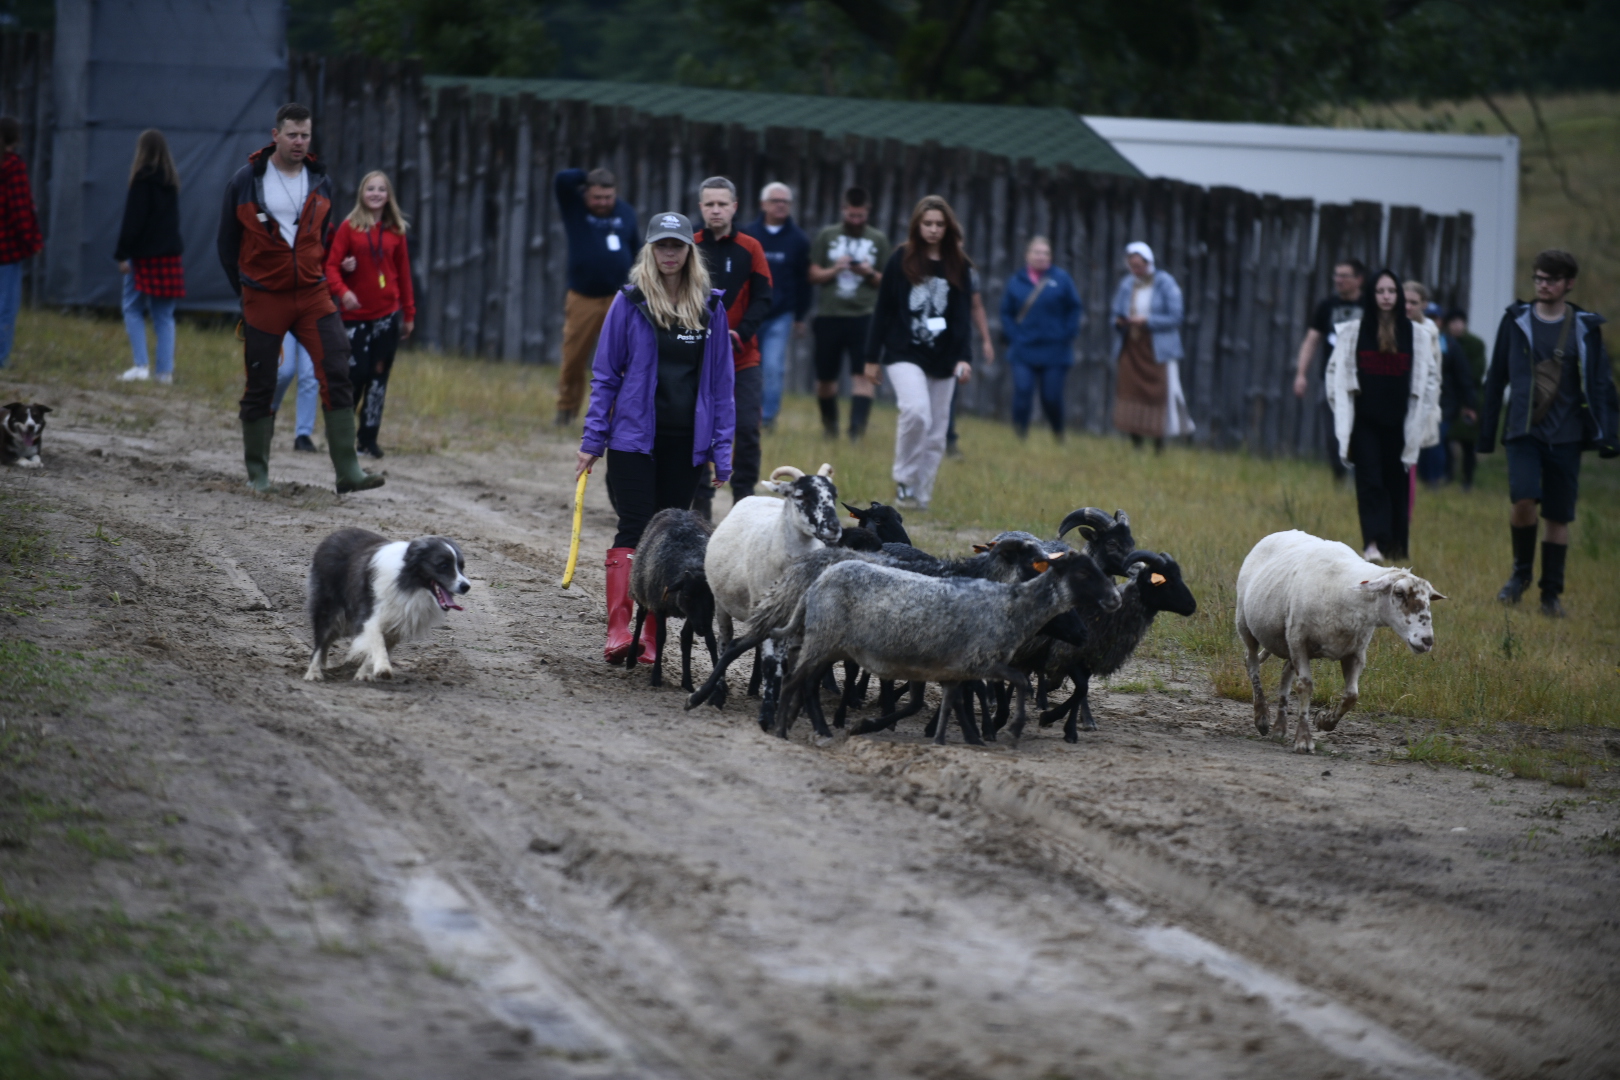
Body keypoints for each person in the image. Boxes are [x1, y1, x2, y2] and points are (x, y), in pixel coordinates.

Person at [576, 211, 734, 662]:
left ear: (689, 251)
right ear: (650, 249)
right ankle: (618, 630)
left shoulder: (710, 307)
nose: (669, 253)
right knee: (634, 526)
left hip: (686, 442)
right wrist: (593, 440)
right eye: (661, 245)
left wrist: (722, 451)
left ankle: (649, 635)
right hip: (632, 438)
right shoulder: (629, 302)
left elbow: (722, 385)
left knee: (667, 534)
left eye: (676, 245)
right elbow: (605, 375)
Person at [218, 104, 381, 494]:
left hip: (311, 293)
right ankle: (258, 474)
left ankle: (348, 472)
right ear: (275, 135)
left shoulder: (320, 180)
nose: (299, 142)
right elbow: (226, 244)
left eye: (305, 135)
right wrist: (245, 291)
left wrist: (319, 269)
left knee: (337, 366)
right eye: (292, 135)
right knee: (262, 379)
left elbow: (321, 238)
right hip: (263, 295)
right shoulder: (245, 181)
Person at [1477, 250, 1618, 617]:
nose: (1543, 285)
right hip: (1524, 431)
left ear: (1568, 283)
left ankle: (1551, 595)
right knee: (1523, 499)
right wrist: (1486, 433)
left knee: (1558, 516)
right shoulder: (1516, 321)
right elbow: (1496, 377)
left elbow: (1601, 384)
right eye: (1538, 278)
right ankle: (1520, 574)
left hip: (1568, 436)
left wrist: (1609, 435)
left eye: (1551, 280)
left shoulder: (1585, 327)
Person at [1324, 268, 1441, 563]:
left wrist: (1423, 413)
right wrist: (1341, 407)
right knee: (1369, 481)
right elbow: (1334, 372)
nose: (1386, 297)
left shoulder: (1416, 335)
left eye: (1391, 291)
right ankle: (1372, 544)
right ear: (1372, 294)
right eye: (1380, 291)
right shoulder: (1354, 332)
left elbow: (1430, 378)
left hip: (1401, 422)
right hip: (1365, 422)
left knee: (1396, 484)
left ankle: (1395, 548)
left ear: (1398, 295)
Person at [864, 195, 973, 510]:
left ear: (948, 227)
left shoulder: (958, 264)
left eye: (939, 224)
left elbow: (962, 317)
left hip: (945, 357)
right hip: (904, 351)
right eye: (928, 223)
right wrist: (871, 357)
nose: (934, 229)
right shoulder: (901, 259)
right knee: (915, 412)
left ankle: (921, 495)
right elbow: (883, 309)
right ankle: (904, 480)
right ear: (917, 225)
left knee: (937, 431)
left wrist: (964, 358)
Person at [691, 176, 772, 516]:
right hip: (696, 356)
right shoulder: (689, 245)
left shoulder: (751, 248)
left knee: (747, 429)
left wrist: (741, 332)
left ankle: (743, 502)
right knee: (697, 427)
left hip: (742, 356)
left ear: (734, 207)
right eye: (709, 204)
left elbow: (764, 298)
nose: (716, 210)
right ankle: (700, 506)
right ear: (701, 207)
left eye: (722, 204)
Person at [325, 170, 415, 459]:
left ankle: (368, 440)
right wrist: (343, 292)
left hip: (387, 316)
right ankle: (342, 434)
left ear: (388, 196)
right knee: (356, 373)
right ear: (362, 194)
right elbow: (330, 267)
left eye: (381, 189)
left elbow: (404, 274)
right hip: (354, 317)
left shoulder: (396, 231)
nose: (376, 194)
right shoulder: (349, 227)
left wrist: (409, 314)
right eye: (370, 189)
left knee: (378, 378)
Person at [553, 167, 640, 426]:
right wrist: (588, 176)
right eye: (597, 197)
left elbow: (637, 249)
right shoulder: (575, 209)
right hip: (584, 297)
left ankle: (616, 417)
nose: (602, 203)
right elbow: (562, 179)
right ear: (586, 195)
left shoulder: (626, 212)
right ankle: (566, 410)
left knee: (621, 360)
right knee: (573, 357)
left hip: (620, 299)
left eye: (608, 197)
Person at [809, 187, 891, 440]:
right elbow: (812, 274)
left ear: (868, 212)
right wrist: (835, 269)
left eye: (860, 216)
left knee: (863, 374)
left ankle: (856, 433)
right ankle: (830, 428)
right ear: (843, 210)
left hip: (865, 317)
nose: (855, 220)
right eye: (851, 215)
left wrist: (867, 272)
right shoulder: (827, 235)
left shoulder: (878, 239)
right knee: (825, 379)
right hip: (829, 315)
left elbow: (888, 283)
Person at [115, 129, 184, 384]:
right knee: (164, 316)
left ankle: (141, 366)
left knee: (132, 308)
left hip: (143, 256)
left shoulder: (142, 180)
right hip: (169, 257)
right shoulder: (171, 181)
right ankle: (164, 373)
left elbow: (133, 220)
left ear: (141, 151)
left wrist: (122, 253)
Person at [740, 182, 810, 431]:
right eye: (775, 201)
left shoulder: (798, 240)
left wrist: (800, 317)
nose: (780, 205)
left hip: (780, 314)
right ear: (763, 204)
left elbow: (804, 282)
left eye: (785, 202)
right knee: (746, 366)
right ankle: (744, 415)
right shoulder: (748, 235)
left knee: (773, 367)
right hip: (749, 315)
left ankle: (767, 419)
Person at [1111, 242, 1191, 452]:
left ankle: (1159, 442)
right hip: (1133, 347)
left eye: (1139, 265)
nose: (1136, 270)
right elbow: (1116, 312)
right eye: (1132, 266)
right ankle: (1136, 442)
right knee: (1130, 392)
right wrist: (1120, 322)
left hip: (1157, 350)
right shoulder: (1127, 284)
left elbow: (1175, 316)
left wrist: (1147, 321)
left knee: (1158, 394)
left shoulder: (1165, 283)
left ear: (1149, 262)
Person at [999, 236, 1082, 440]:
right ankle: (1020, 437)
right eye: (1037, 252)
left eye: (1045, 253)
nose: (1041, 256)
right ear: (1027, 255)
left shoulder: (1061, 279)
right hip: (1023, 348)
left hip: (1055, 350)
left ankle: (1058, 433)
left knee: (1051, 396)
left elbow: (1075, 308)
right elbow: (1006, 312)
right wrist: (1014, 335)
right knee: (1023, 391)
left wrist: (1066, 334)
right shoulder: (1017, 281)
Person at [1294, 259, 1366, 478]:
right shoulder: (1327, 306)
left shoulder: (1370, 306)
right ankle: (1340, 476)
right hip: (1332, 379)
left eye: (1345, 275)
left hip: (1364, 380)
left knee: (1361, 430)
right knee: (1334, 432)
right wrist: (1301, 374)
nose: (1339, 280)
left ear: (1359, 279)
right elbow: (1311, 340)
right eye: (1336, 275)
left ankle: (1361, 476)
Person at [0, 116, 42, 369]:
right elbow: (20, 209)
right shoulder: (13, 167)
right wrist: (32, 242)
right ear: (16, 139)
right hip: (7, 250)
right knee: (5, 306)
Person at [943, 267, 996, 457]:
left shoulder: (967, 272)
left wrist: (986, 339)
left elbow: (976, 306)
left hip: (953, 343)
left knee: (949, 393)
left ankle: (948, 441)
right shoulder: (918, 263)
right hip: (921, 341)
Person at [1441, 309, 1486, 490]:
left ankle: (1467, 479)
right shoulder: (1442, 341)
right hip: (1447, 398)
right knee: (1445, 439)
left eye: (1460, 321)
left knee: (1468, 442)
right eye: (1453, 321)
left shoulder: (1475, 344)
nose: (1457, 326)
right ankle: (1447, 475)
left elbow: (1477, 371)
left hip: (1470, 397)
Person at [272, 334, 320, 452]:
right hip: (285, 325)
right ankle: (271, 408)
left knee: (309, 376)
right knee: (284, 371)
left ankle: (303, 434)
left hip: (311, 323)